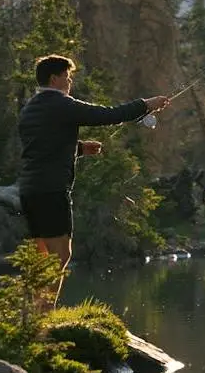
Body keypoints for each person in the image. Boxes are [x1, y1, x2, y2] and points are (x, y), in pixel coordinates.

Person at [17, 54, 170, 307]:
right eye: (67, 77)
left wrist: (78, 148)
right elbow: (108, 115)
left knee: (42, 256)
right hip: (53, 190)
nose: (69, 83)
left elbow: (41, 146)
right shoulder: (61, 104)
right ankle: (43, 315)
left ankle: (33, 312)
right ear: (54, 78)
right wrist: (146, 104)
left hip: (30, 190)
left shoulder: (30, 108)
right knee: (61, 254)